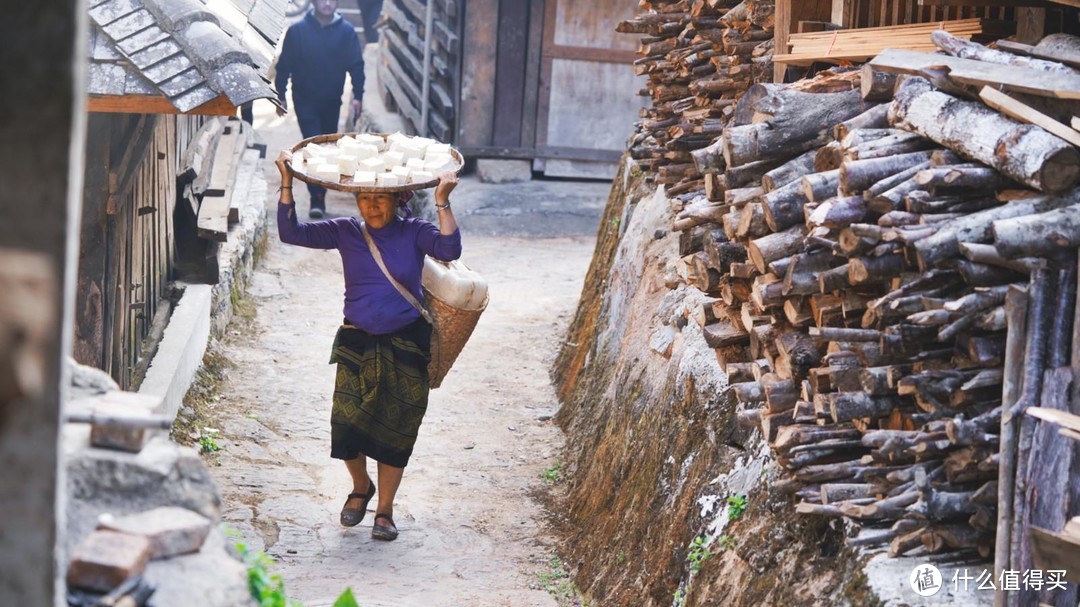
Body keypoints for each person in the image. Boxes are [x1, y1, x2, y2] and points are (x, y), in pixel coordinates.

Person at [275, 151, 462, 541]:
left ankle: (385, 511)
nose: (372, 205)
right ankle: (361, 487)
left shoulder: (414, 232)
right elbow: (290, 232)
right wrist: (287, 182)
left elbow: (449, 249)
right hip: (357, 340)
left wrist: (442, 200)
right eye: (364, 198)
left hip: (406, 343)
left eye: (380, 198)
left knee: (397, 429)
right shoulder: (346, 231)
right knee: (345, 427)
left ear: (398, 200)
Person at [274, 0, 365, 218]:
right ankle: (317, 198)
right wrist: (281, 95)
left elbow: (356, 65)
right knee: (313, 142)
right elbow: (284, 65)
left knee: (326, 146)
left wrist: (358, 96)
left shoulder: (346, 32)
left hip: (332, 100)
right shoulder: (298, 31)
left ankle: (320, 191)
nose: (327, 3)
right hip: (305, 99)